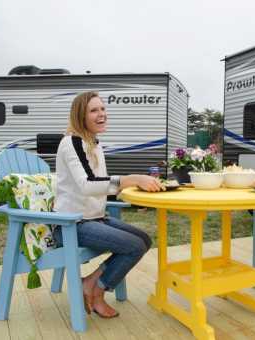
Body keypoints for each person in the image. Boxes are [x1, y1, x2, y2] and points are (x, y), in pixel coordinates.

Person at [53, 91, 164, 318]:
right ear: (80, 116)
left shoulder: (93, 142)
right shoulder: (72, 142)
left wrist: (128, 186)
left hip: (94, 218)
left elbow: (99, 183)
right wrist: (129, 180)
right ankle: (99, 291)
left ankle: (91, 283)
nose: (101, 114)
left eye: (102, 109)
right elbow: (87, 184)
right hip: (71, 224)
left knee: (144, 240)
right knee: (133, 246)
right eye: (94, 110)